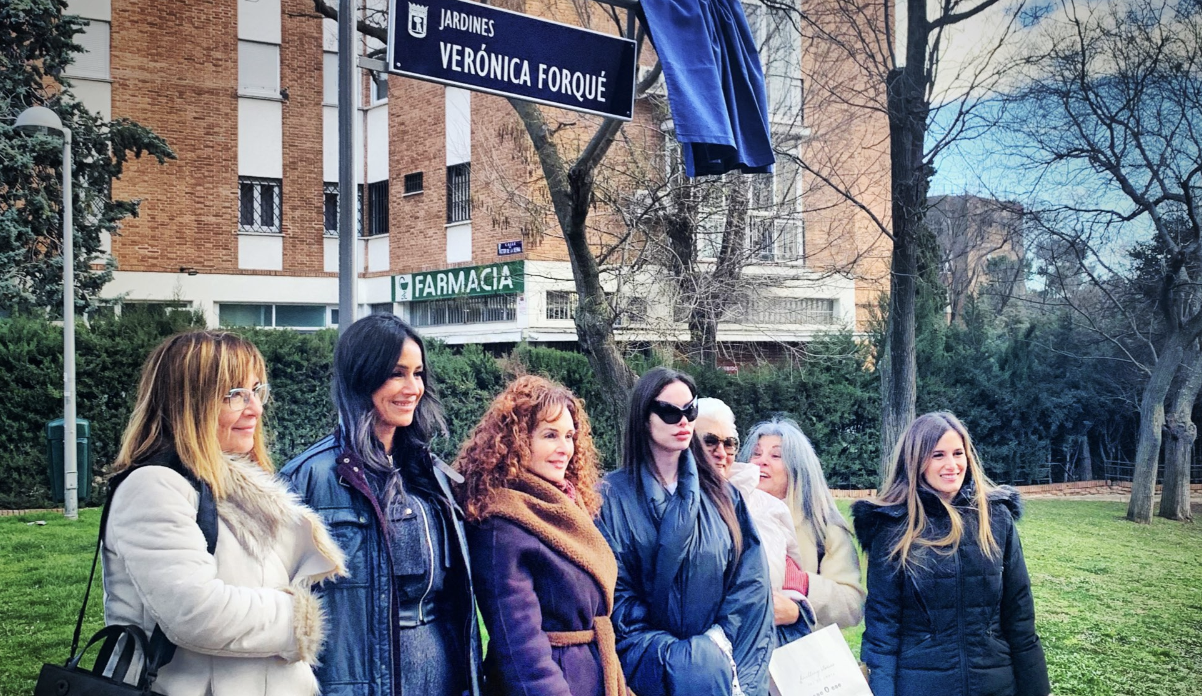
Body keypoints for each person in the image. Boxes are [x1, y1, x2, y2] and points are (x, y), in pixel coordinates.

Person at [103, 331, 346, 696]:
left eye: (257, 391)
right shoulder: (153, 487)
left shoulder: (235, 488)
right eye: (235, 395)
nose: (256, 409)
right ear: (190, 402)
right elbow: (196, 613)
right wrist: (297, 619)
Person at [281, 315, 481, 696]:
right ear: (363, 376)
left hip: (443, 669)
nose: (413, 388)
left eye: (418, 373)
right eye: (396, 373)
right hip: (363, 681)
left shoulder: (429, 472)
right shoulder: (309, 478)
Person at [598, 367, 774, 696]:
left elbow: (750, 582)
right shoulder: (609, 498)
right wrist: (688, 658)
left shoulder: (725, 496)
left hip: (723, 661)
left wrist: (718, 640)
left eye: (690, 410)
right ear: (643, 416)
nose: (682, 422)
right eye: (669, 412)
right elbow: (613, 595)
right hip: (649, 664)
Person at [852, 412, 1050, 696]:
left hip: (995, 684)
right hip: (920, 686)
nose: (952, 465)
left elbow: (1019, 618)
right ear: (916, 460)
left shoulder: (996, 517)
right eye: (938, 455)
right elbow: (882, 633)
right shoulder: (892, 527)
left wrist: (1038, 690)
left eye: (958, 453)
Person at [456, 375, 628, 696]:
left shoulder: (564, 505)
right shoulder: (502, 522)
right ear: (517, 440)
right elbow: (520, 648)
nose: (565, 448)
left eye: (569, 436)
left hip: (591, 675)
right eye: (550, 435)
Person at [742, 418, 865, 638]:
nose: (762, 462)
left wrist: (802, 600)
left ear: (798, 468)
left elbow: (852, 604)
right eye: (756, 453)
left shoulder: (824, 528)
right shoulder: (728, 518)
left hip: (795, 662)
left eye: (776, 455)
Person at [692, 399, 802, 595]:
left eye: (729, 443)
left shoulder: (772, 508)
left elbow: (793, 581)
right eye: (709, 441)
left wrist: (795, 606)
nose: (721, 452)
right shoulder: (665, 502)